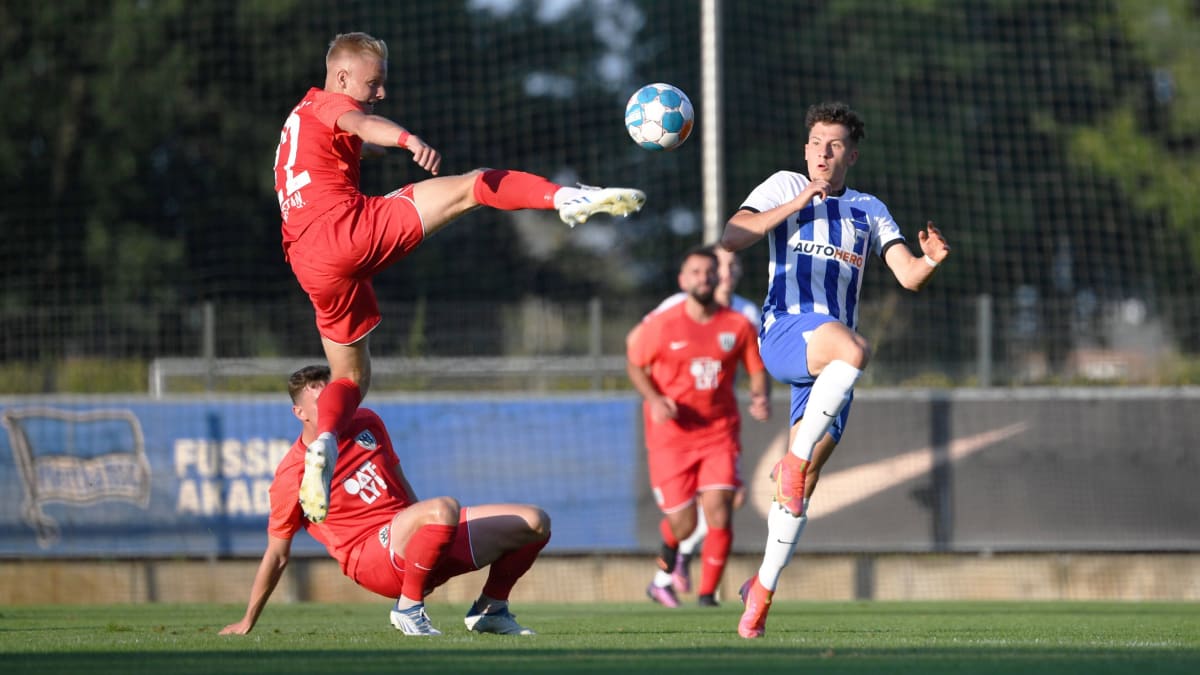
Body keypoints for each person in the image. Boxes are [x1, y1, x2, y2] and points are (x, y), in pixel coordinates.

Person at [275, 32, 646, 524]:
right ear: (342, 77)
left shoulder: (299, 116)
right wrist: (406, 139)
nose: (381, 92)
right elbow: (358, 120)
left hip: (308, 262)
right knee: (474, 186)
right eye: (374, 82)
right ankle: (564, 198)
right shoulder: (332, 104)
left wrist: (368, 146)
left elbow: (346, 140)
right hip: (346, 229)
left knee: (350, 377)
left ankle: (324, 440)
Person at [720, 101, 950, 638]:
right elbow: (733, 237)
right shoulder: (782, 185)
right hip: (786, 332)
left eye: (835, 145)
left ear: (852, 154)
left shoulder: (869, 209)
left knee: (801, 487)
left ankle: (761, 591)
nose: (824, 153)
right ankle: (794, 462)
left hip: (830, 370)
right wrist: (798, 201)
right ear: (805, 149)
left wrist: (933, 260)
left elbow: (908, 276)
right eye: (816, 143)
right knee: (855, 352)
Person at [220, 365, 552, 637]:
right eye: (320, 403)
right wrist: (248, 619)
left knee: (535, 522)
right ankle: (408, 608)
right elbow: (277, 555)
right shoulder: (291, 474)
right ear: (299, 413)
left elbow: (401, 482)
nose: (334, 409)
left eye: (337, 400)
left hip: (411, 537)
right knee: (443, 507)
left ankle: (490, 610)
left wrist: (435, 533)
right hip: (370, 558)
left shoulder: (367, 421)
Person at [626, 246, 770, 608]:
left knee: (720, 508)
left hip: (719, 432)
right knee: (684, 524)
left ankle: (707, 597)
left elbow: (755, 368)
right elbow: (634, 363)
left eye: (710, 272)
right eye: (696, 272)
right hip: (671, 438)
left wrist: (759, 396)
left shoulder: (739, 322)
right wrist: (655, 399)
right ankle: (668, 567)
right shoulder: (663, 322)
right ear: (682, 279)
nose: (704, 278)